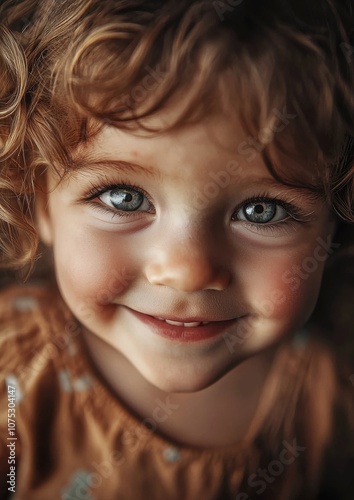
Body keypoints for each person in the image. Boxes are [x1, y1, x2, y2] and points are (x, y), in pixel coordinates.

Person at [0, 0, 353, 498]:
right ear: (40, 204)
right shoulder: (11, 378)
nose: (187, 272)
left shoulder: (332, 408)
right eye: (124, 198)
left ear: (334, 225)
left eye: (261, 211)